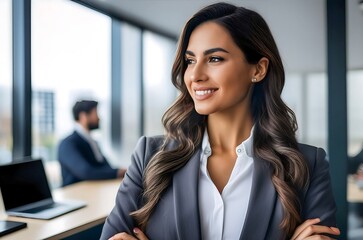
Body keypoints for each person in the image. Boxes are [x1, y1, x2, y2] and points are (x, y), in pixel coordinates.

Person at [101, 3, 339, 240]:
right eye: (190, 61)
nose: (195, 76)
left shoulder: (308, 165)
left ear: (258, 69)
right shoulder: (149, 156)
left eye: (214, 59)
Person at [58, 100, 126, 186]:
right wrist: (117, 172)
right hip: (75, 193)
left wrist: (120, 171)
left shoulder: (91, 141)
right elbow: (85, 172)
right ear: (83, 116)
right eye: (95, 113)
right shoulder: (68, 144)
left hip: (94, 189)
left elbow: (105, 166)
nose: (98, 118)